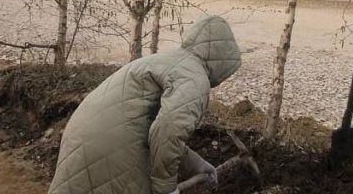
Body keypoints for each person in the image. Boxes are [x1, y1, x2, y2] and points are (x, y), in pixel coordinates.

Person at [48, 15, 242, 194]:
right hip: (116, 147)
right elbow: (168, 132)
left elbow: (155, 128)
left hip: (82, 136)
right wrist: (165, 187)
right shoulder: (195, 76)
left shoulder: (167, 61)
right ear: (222, 62)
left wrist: (196, 164)